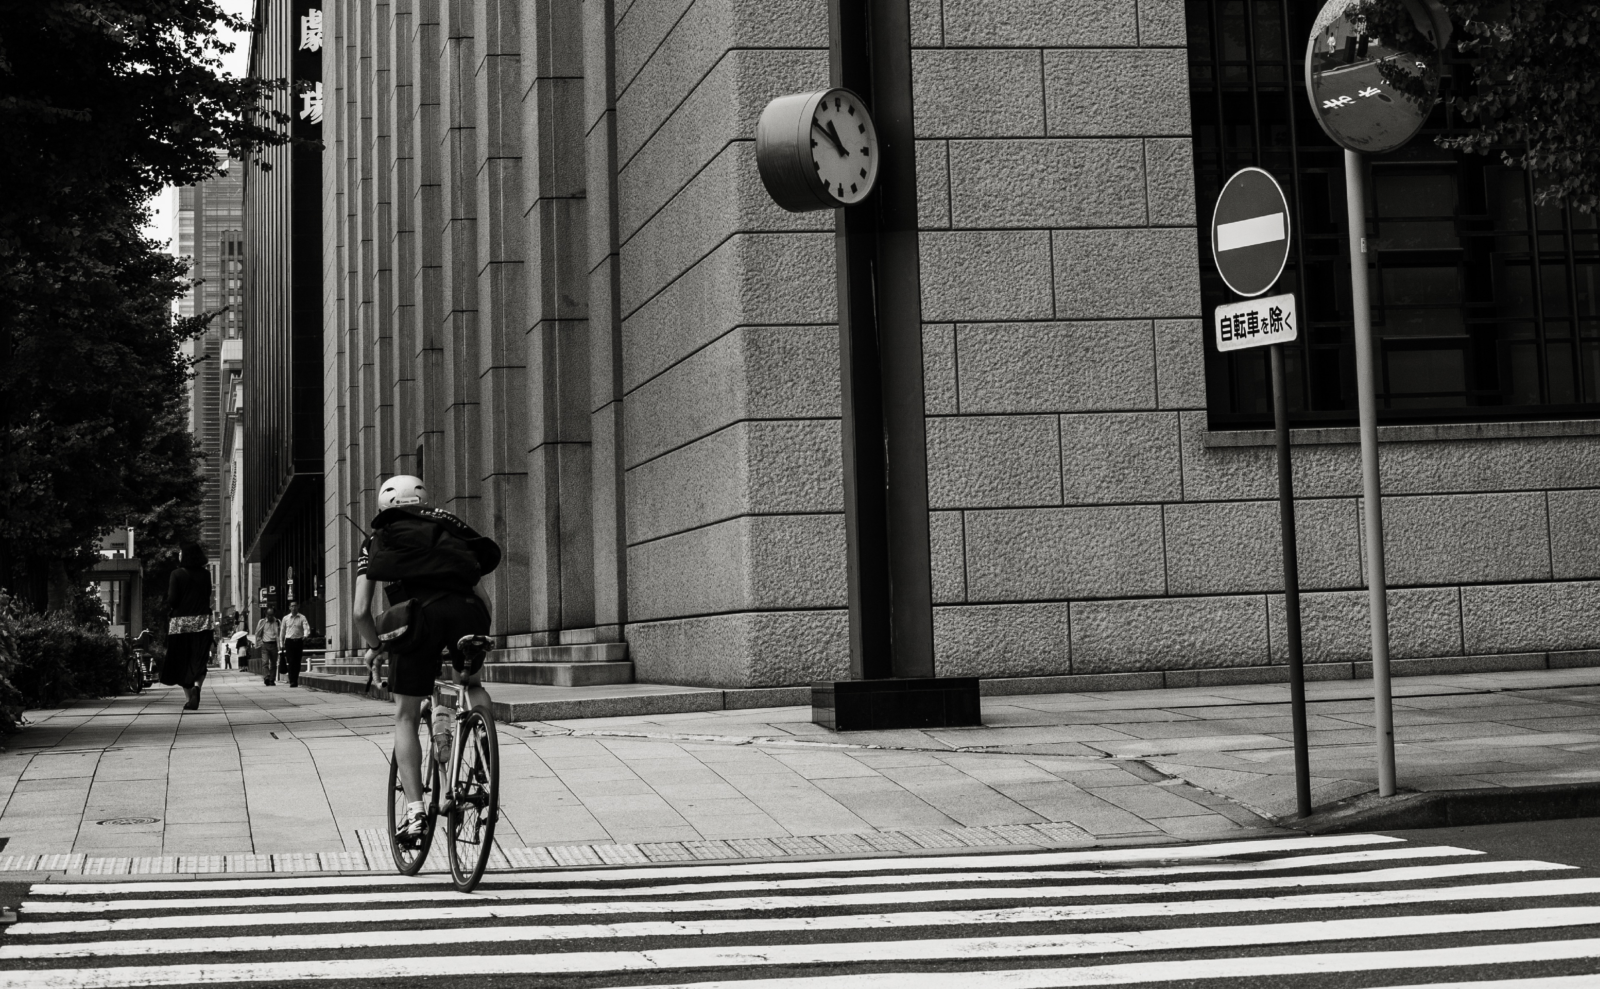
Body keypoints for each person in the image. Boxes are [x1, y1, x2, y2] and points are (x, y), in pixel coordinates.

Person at [354, 474, 499, 844]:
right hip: (468, 613)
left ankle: (416, 814)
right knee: (471, 683)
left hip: (419, 620)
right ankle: (483, 749)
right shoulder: (447, 528)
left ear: (384, 507)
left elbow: (359, 612)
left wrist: (376, 644)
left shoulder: (377, 539)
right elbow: (482, 596)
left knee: (405, 715)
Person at [160, 544, 213, 711]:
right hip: (203, 622)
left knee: (181, 660)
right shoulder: (206, 575)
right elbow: (207, 596)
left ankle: (190, 698)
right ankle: (197, 687)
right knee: (199, 659)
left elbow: (172, 600)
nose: (179, 555)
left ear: (186, 555)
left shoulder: (176, 574)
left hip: (180, 624)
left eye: (181, 552)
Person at [281, 601, 310, 687]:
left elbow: (306, 627)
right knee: (291, 661)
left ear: (298, 607)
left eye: (295, 606)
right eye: (292, 606)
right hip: (289, 641)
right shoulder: (285, 618)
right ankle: (292, 680)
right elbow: (282, 631)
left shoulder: (302, 617)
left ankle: (295, 679)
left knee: (297, 662)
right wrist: (281, 643)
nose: (294, 608)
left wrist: (305, 635)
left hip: (298, 641)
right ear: (289, 607)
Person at [255, 607, 282, 685]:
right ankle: (266, 677)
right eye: (268, 615)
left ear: (274, 614)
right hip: (265, 644)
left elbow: (280, 633)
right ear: (266, 614)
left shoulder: (277, 622)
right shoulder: (262, 622)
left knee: (274, 663)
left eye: (272, 615)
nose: (270, 617)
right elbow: (257, 633)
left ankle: (272, 679)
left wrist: (280, 645)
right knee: (265, 662)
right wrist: (260, 643)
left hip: (274, 644)